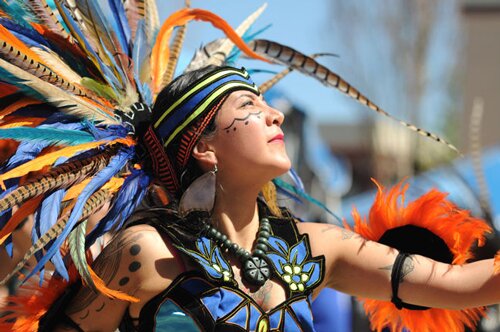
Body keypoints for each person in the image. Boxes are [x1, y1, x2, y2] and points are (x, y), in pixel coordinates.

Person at [0, 3, 496, 332]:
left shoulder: (314, 245)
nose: (275, 113)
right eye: (248, 106)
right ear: (205, 149)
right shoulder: (146, 253)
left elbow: (464, 286)